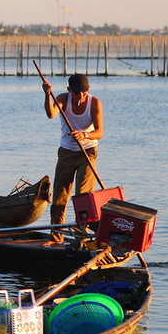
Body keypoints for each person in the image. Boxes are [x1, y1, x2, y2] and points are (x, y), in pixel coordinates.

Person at [42, 73, 103, 245]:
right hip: (67, 152)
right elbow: (51, 114)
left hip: (88, 152)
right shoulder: (63, 98)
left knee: (82, 195)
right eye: (77, 93)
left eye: (83, 92)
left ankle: (81, 235)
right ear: (69, 90)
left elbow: (99, 132)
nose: (81, 96)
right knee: (60, 195)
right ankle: (56, 236)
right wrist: (47, 95)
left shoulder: (95, 103)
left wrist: (84, 134)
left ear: (88, 89)